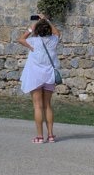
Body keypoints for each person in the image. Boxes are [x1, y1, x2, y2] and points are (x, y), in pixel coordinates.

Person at [18, 14, 61, 143]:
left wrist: (32, 27)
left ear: (37, 30)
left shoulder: (33, 42)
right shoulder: (53, 41)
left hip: (35, 77)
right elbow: (57, 32)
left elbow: (21, 39)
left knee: (38, 106)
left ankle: (40, 137)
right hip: (49, 76)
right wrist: (46, 20)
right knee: (47, 106)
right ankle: (51, 135)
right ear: (48, 29)